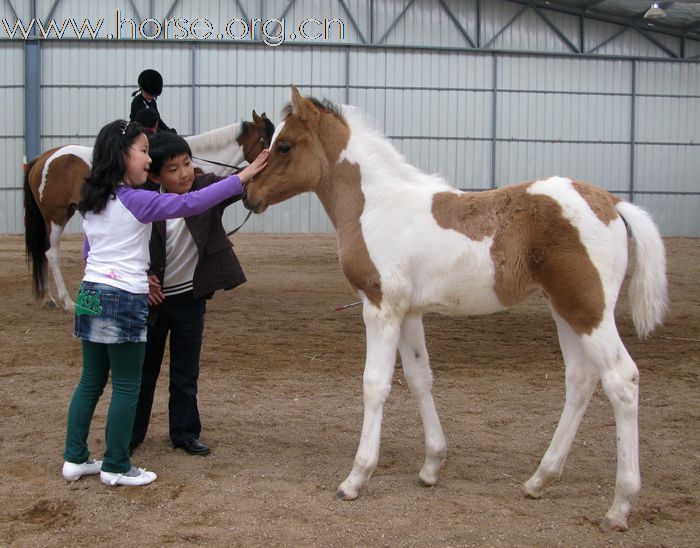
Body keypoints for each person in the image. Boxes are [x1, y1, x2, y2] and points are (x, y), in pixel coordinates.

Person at [62, 119, 268, 486]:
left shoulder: (93, 199)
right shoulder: (136, 198)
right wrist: (244, 174)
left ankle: (75, 459)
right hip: (122, 296)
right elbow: (190, 202)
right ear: (122, 154)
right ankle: (116, 464)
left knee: (90, 380)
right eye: (142, 151)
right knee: (128, 384)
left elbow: (88, 250)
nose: (146, 158)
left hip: (90, 294)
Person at [129, 131, 249, 456]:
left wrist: (265, 161)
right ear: (155, 175)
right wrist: (143, 278)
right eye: (173, 169)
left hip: (189, 301)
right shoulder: (142, 199)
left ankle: (184, 433)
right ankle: (132, 433)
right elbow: (122, 246)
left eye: (187, 163)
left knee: (185, 372)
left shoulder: (204, 188)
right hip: (150, 302)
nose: (183, 173)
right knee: (144, 372)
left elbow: (238, 183)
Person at [129, 69, 176, 133]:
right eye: (148, 94)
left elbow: (157, 120)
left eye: (153, 96)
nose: (151, 97)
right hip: (139, 133)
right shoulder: (137, 102)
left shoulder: (153, 102)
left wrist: (168, 131)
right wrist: (164, 133)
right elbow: (145, 124)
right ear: (141, 89)